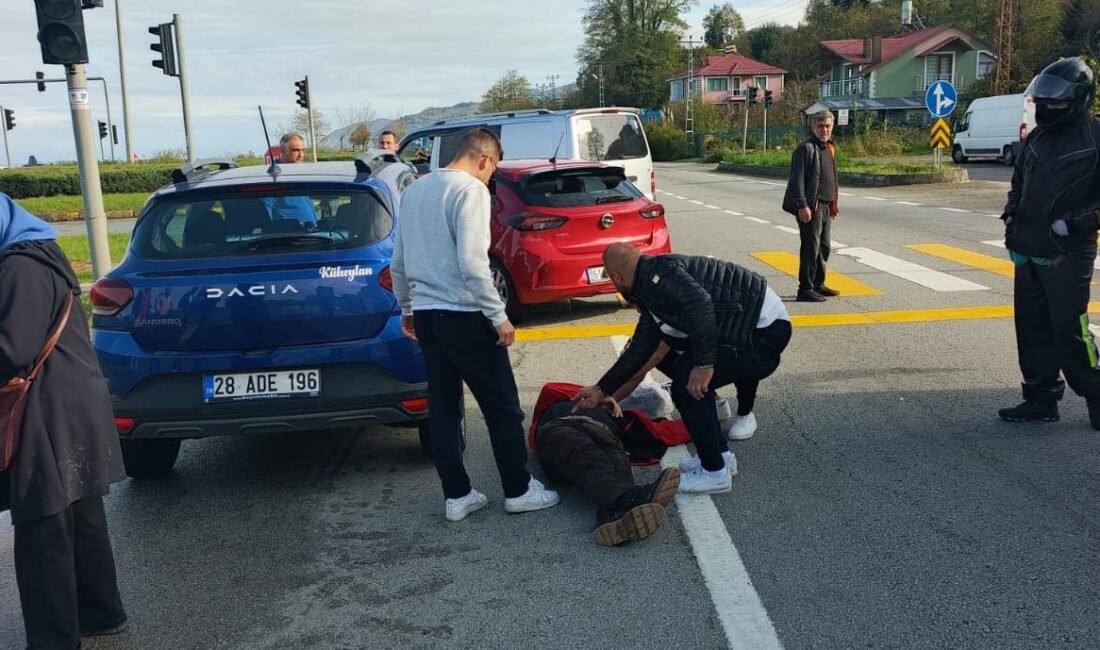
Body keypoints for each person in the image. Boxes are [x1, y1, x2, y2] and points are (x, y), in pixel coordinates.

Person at [391, 127, 560, 521]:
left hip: (429, 316)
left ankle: (458, 496)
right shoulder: (470, 191)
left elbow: (398, 262)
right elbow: (472, 262)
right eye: (493, 170)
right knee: (502, 407)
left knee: (445, 409)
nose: (491, 178)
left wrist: (407, 309)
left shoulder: (415, 190)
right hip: (465, 314)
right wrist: (497, 315)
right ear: (483, 159)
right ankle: (518, 490)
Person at [0, 193, 128, 648]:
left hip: (48, 410)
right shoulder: (33, 253)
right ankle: (99, 611)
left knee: (42, 525)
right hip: (70, 401)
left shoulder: (20, 266)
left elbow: (11, 350)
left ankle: (54, 638)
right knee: (80, 511)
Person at [574, 244, 792, 495]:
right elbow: (640, 349)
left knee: (687, 388)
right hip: (747, 325)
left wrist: (703, 365)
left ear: (616, 277)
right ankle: (721, 457)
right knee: (688, 382)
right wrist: (602, 389)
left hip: (764, 329)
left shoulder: (660, 278)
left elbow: (700, 305)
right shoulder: (650, 285)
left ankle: (715, 473)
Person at [998, 57, 1100, 429]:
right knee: (1032, 328)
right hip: (1027, 246)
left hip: (1069, 251)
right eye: (1042, 101)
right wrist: (1011, 219)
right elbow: (1019, 185)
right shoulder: (1037, 137)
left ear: (1078, 100)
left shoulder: (1095, 136)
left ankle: (1096, 393)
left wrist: (1075, 223)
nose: (1046, 108)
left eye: (1055, 102)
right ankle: (1040, 399)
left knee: (1068, 329)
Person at [532, 398, 680, 547]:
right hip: (560, 426)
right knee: (586, 455)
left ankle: (613, 516)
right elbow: (551, 391)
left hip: (605, 433)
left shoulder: (614, 411)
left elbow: (658, 429)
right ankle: (630, 498)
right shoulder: (561, 402)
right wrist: (603, 397)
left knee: (619, 465)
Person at [783, 110, 840, 303]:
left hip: (826, 206)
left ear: (832, 127)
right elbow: (796, 180)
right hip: (811, 207)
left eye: (827, 126)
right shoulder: (805, 149)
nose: (824, 129)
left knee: (824, 247)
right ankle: (805, 288)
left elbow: (832, 178)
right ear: (813, 127)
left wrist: (833, 204)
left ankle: (818, 284)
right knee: (810, 247)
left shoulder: (830, 148)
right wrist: (802, 206)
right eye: (820, 126)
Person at [263, 133, 317, 225]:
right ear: (282, 151)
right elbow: (265, 209)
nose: (301, 155)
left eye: (303, 150)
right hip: (288, 235)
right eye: (295, 150)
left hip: (313, 234)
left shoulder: (301, 174)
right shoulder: (273, 177)